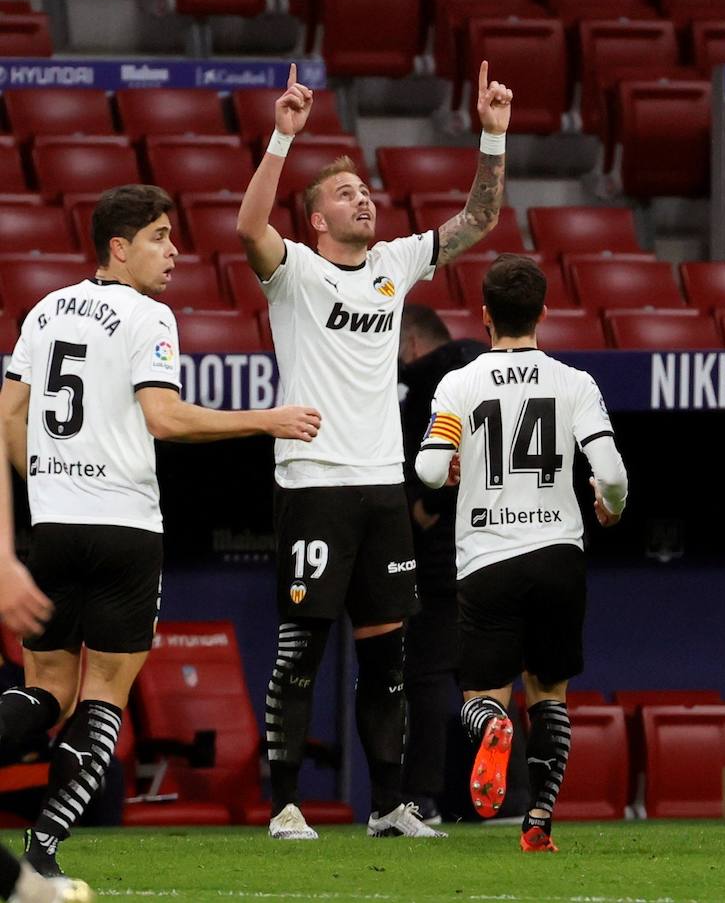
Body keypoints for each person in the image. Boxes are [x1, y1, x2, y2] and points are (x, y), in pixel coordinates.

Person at [0, 184, 321, 877]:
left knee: (45, 690)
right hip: (124, 530)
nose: (176, 252)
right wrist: (266, 419)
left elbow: (8, 412)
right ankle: (44, 852)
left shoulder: (45, 309)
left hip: (53, 528)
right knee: (102, 698)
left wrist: (49, 480)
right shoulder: (149, 316)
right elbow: (165, 418)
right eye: (160, 237)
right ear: (120, 247)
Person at [235, 60, 512, 840]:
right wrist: (283, 140)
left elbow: (478, 220)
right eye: (345, 194)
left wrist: (492, 131)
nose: (364, 198)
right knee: (300, 654)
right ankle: (284, 802)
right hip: (315, 482)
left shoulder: (393, 265)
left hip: (381, 487)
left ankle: (389, 806)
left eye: (365, 190)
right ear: (316, 219)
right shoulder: (295, 273)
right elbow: (248, 228)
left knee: (388, 660)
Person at [415, 254, 627, 853]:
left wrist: (449, 467)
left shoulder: (459, 382)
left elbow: (429, 470)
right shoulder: (574, 382)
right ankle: (537, 822)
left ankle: (494, 725)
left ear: (484, 316)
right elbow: (610, 471)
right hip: (559, 551)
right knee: (551, 693)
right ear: (542, 312)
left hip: (488, 557)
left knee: (481, 698)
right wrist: (611, 504)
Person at [397, 305, 486, 823]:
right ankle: (512, 794)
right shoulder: (490, 373)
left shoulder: (427, 384)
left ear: (411, 343)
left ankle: (421, 796)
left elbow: (432, 470)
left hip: (438, 560)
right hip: (498, 550)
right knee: (485, 680)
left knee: (426, 679)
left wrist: (426, 507)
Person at [0, 428, 94, 902]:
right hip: (121, 518)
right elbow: (164, 417)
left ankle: (23, 885)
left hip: (58, 523)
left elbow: (4, 422)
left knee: (60, 696)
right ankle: (30, 879)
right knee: (77, 695)